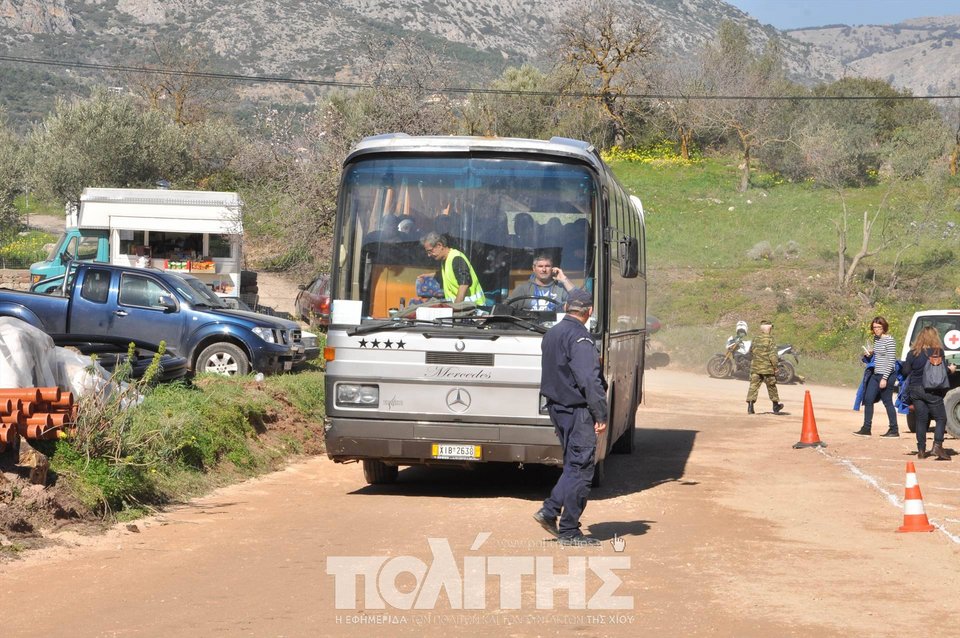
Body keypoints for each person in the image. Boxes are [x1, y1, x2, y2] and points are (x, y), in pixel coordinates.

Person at [533, 288, 608, 546]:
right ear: (589, 312)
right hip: (578, 411)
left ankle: (554, 513)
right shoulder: (581, 338)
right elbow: (589, 379)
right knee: (581, 469)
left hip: (557, 408)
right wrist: (601, 412)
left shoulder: (551, 334)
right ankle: (566, 527)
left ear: (566, 308)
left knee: (573, 465)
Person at [903, 326, 957, 460]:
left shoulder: (912, 353)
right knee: (941, 418)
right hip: (931, 390)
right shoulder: (937, 352)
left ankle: (921, 450)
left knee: (921, 419)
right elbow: (942, 373)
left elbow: (905, 372)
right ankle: (937, 446)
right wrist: (951, 370)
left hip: (915, 390)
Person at [854, 316, 899, 438]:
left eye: (879, 327)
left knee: (887, 402)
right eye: (874, 328)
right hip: (876, 373)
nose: (876, 330)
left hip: (887, 375)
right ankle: (866, 428)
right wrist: (869, 355)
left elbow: (891, 361)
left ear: (884, 327)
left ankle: (894, 429)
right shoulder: (876, 339)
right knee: (868, 399)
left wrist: (884, 378)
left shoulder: (889, 340)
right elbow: (878, 357)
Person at [420, 231, 484, 304]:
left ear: (439, 245)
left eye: (430, 251)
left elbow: (464, 284)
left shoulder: (456, 258)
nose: (429, 255)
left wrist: (456, 307)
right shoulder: (445, 260)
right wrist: (427, 276)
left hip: (473, 309)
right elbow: (448, 275)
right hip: (463, 308)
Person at [509, 253, 575, 311]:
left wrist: (564, 279)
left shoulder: (561, 288)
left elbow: (581, 300)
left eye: (547, 266)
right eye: (540, 266)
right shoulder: (523, 289)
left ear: (552, 268)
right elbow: (506, 308)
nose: (544, 269)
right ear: (534, 268)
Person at [746, 320, 783, 414]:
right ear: (769, 328)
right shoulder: (771, 339)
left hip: (756, 368)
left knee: (753, 387)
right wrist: (776, 367)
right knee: (771, 387)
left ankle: (750, 407)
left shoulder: (755, 338)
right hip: (767, 369)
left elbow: (751, 351)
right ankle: (775, 406)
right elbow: (773, 356)